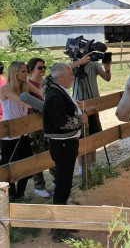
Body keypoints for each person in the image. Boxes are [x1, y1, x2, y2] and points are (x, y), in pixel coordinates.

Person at [42, 63, 92, 242]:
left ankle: (60, 223)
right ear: (62, 77)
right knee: (63, 186)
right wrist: (80, 119)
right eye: (70, 75)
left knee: (65, 185)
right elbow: (61, 122)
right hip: (62, 146)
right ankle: (58, 229)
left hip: (66, 145)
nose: (73, 77)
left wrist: (75, 109)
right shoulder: (55, 94)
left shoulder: (57, 91)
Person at [0, 61, 41, 201]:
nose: (26, 74)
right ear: (15, 73)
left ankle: (21, 194)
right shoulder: (5, 88)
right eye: (23, 71)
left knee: (26, 166)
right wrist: (36, 105)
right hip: (9, 136)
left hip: (22, 133)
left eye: (26, 71)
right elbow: (20, 101)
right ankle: (12, 196)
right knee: (9, 169)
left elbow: (40, 92)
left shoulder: (25, 85)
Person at [70, 51, 111, 176]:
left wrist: (107, 67)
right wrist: (79, 62)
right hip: (78, 104)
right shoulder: (74, 64)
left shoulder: (94, 64)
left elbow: (107, 78)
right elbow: (61, 69)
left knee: (94, 134)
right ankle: (82, 167)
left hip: (93, 104)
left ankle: (92, 163)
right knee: (80, 138)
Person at [27, 57, 55, 198]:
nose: (43, 70)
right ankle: (39, 186)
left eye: (44, 67)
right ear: (31, 69)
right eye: (40, 67)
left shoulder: (46, 83)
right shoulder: (28, 84)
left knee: (52, 151)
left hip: (48, 123)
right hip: (35, 125)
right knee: (37, 154)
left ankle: (56, 179)